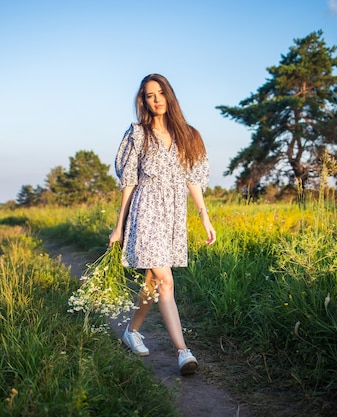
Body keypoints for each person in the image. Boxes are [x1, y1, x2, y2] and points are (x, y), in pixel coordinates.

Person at [109, 73, 216, 376]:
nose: (155, 100)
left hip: (173, 214)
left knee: (153, 279)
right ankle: (183, 352)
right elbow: (129, 183)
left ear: (169, 95)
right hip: (145, 211)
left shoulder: (189, 135)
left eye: (159, 93)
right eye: (148, 95)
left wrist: (204, 216)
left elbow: (194, 179)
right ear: (142, 100)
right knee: (165, 280)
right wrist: (120, 225)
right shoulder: (137, 135)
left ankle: (131, 330)